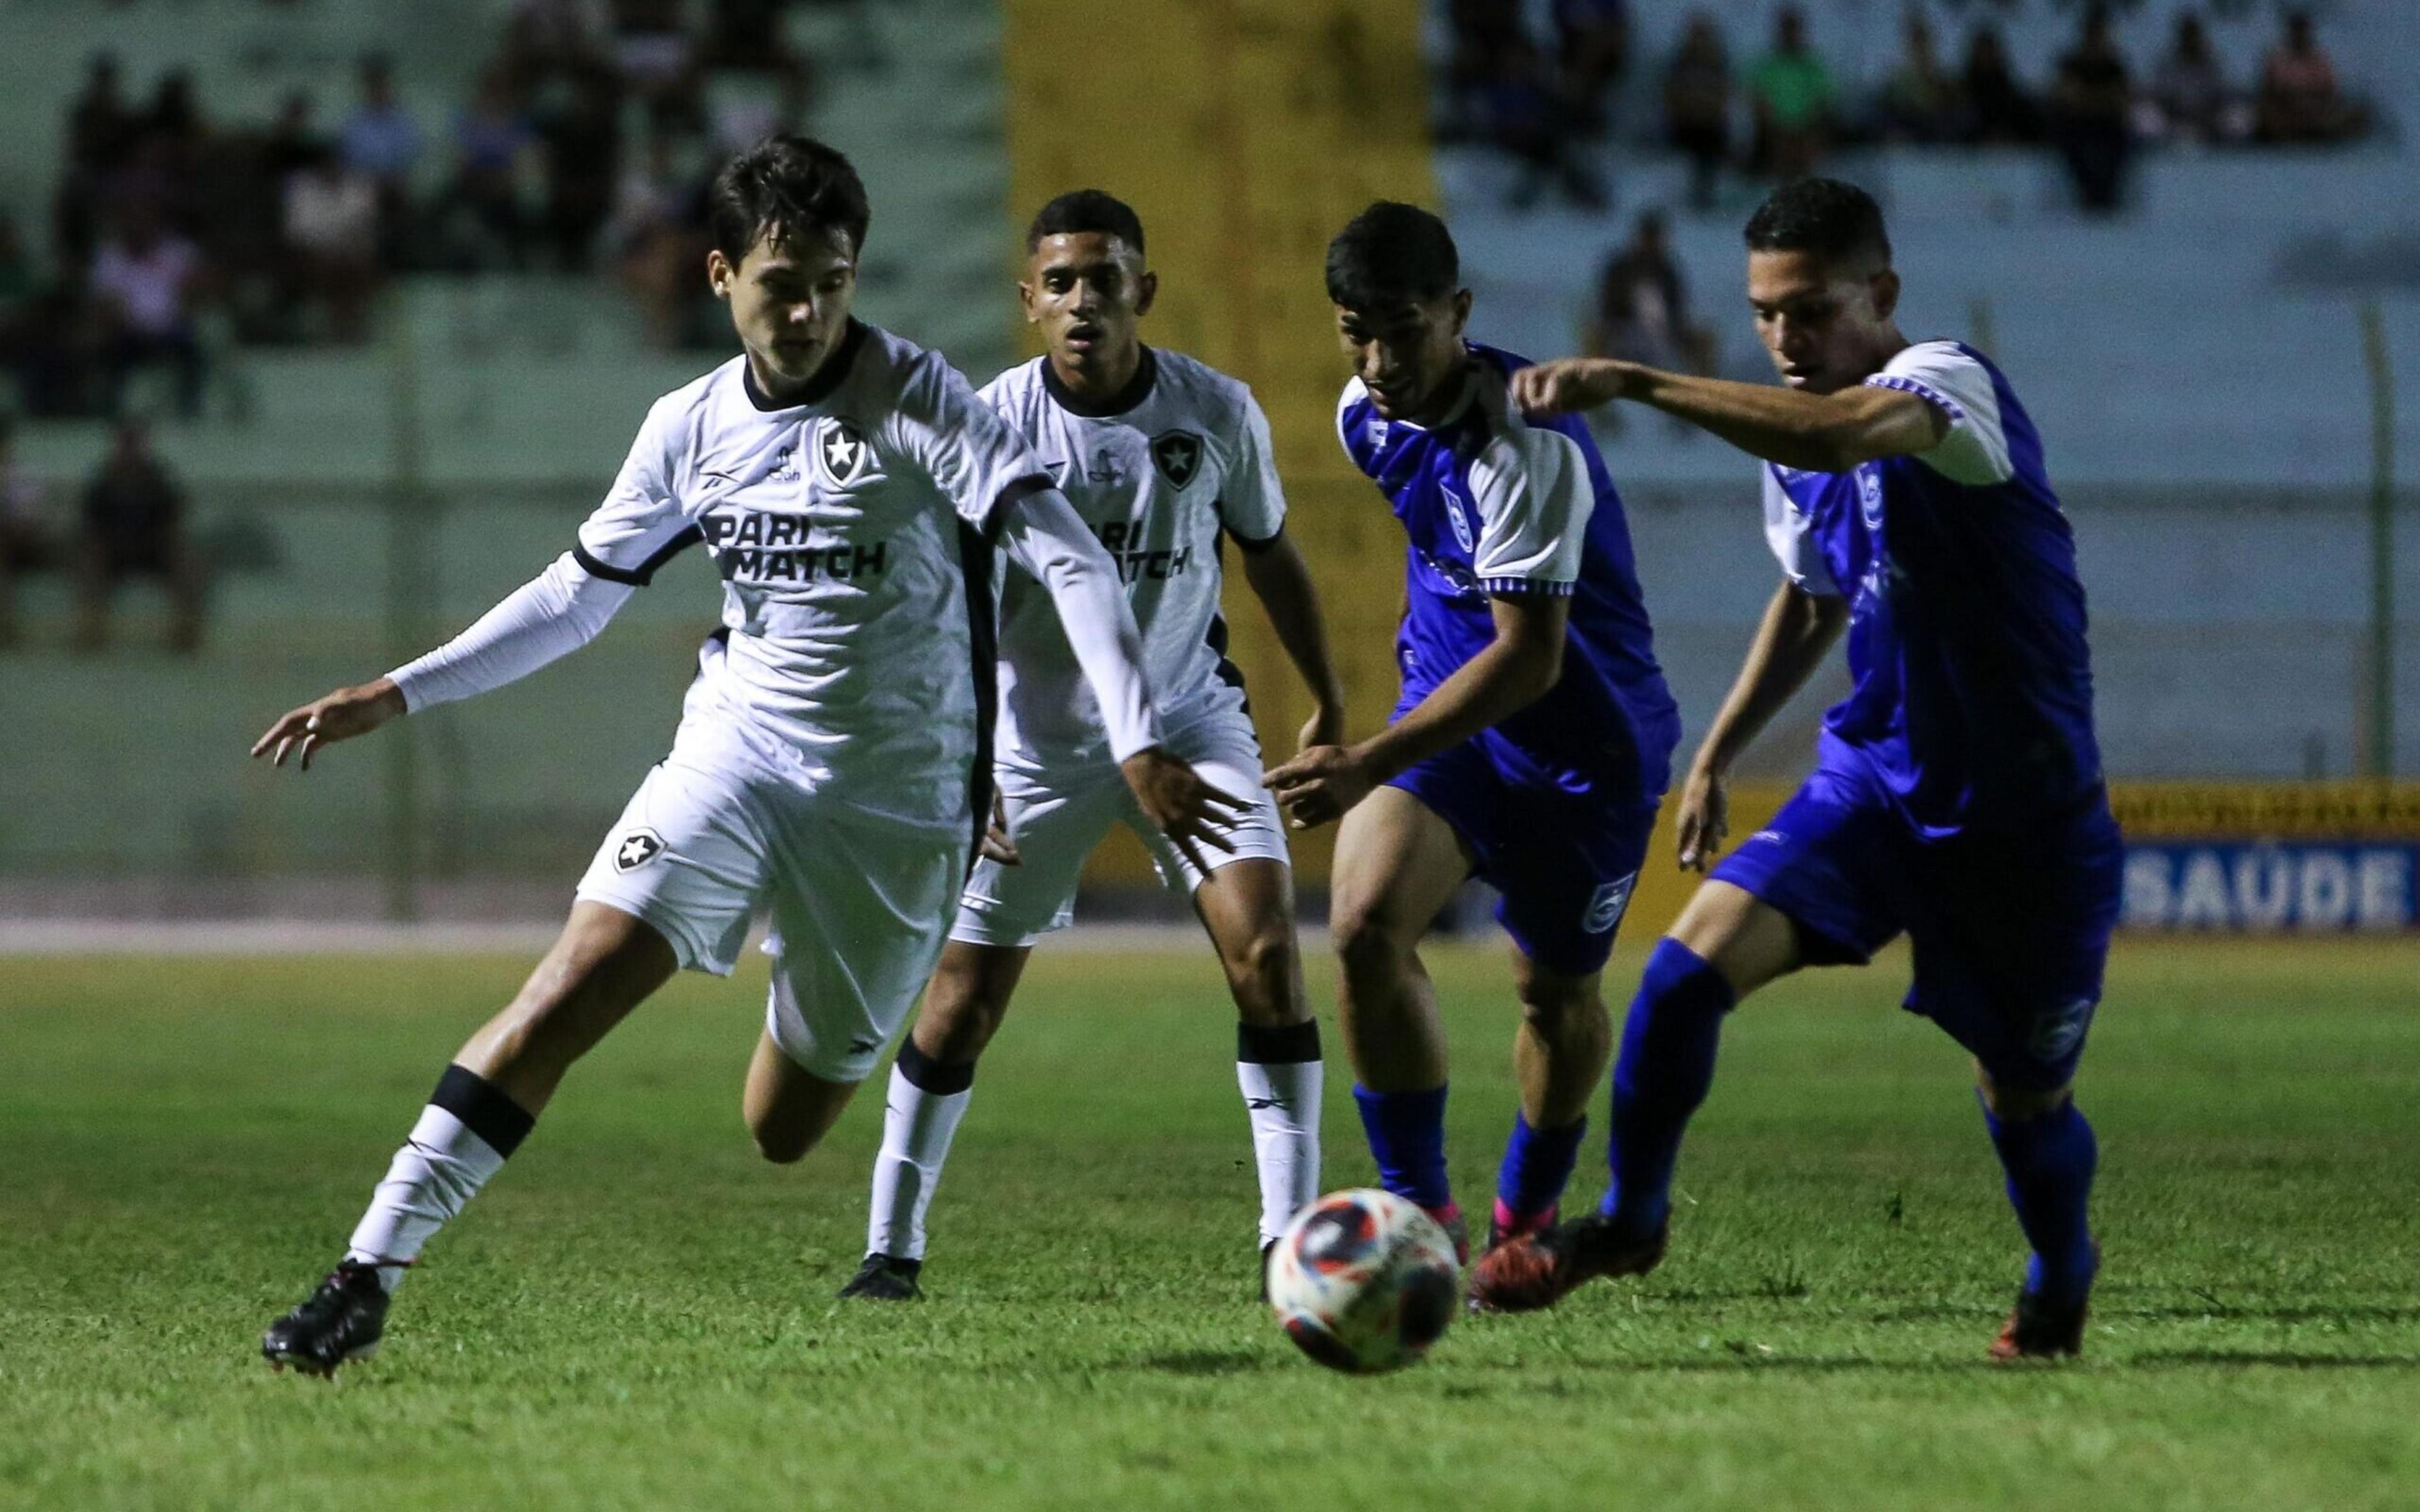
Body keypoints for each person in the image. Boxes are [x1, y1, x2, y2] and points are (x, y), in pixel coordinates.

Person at [251, 136, 1239, 1377]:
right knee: (569, 984)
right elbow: (578, 594)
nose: (813, 307)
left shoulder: (922, 400)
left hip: (899, 806)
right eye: (785, 282)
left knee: (783, 1127)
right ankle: (365, 1274)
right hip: (737, 759)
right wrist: (399, 691)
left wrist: (1138, 731)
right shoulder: (692, 423)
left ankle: (794, 971)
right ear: (722, 276)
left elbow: (1075, 560)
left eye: (835, 279)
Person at [1473, 179, 2121, 1363]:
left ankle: (2061, 1273)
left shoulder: (1946, 383)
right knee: (1679, 976)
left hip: (2025, 818)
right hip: (1874, 786)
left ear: (1881, 293)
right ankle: (1631, 1221)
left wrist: (1638, 381)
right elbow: (1815, 592)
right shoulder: (1796, 439)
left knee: (2021, 1098)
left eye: (1811, 309)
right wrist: (1722, 747)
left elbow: (1848, 430)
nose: (1785, 337)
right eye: (1767, 313)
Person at [840, 191, 1344, 1302]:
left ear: (1143, 292)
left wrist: (1328, 700)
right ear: (1029, 302)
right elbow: (946, 606)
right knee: (964, 999)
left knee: (1267, 955)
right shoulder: (989, 424)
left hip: (1188, 722)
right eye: (1059, 282)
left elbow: (1269, 554)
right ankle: (891, 1248)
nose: (1081, 302)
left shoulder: (1217, 412)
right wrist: (965, 760)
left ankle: (1293, 1242)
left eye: (1103, 279)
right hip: (1031, 742)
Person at [1265, 203, 1679, 1265]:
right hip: (1454, 722)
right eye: (1355, 330)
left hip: (1587, 749)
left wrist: (1366, 763)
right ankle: (1422, 1225)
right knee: (1360, 926)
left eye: (1402, 328)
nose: (1378, 358)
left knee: (1555, 995)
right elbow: (1441, 553)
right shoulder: (1362, 413)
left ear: (1459, 312)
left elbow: (1532, 656)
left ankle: (1525, 1212)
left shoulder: (1523, 445)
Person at [75, 418, 205, 652]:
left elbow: (173, 517)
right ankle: (92, 626)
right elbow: (90, 521)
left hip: (152, 549)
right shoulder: (103, 481)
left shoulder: (158, 479)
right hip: (112, 549)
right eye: (126, 443)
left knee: (187, 557)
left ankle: (186, 628)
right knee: (90, 556)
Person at [2049, 4, 2135, 215]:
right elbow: (2068, 97)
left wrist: (2089, 97)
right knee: (2069, 143)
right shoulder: (2071, 64)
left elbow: (2121, 100)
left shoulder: (2115, 66)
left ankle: (2107, 194)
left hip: (2108, 123)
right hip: (2078, 124)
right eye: (2092, 36)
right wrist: (2100, 98)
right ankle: (2088, 193)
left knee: (2122, 144)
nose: (2096, 41)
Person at [1745, 8, 1835, 181]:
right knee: (1781, 141)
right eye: (1787, 30)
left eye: (1794, 30)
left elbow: (1822, 99)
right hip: (1775, 128)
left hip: (1806, 126)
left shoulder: (1812, 66)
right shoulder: (1766, 65)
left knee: (1806, 138)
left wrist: (1805, 123)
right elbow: (1757, 98)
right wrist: (1776, 124)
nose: (1790, 35)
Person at [2256, 10, 2365, 145]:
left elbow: (2330, 91)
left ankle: (2320, 133)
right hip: (2286, 111)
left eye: (2303, 33)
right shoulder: (2277, 60)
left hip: (2315, 110)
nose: (2300, 37)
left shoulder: (2320, 60)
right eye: (2297, 33)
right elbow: (2269, 91)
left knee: (2352, 114)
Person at [1661, 14, 1732, 214]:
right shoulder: (1677, 66)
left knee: (1711, 139)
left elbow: (1723, 98)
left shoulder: (1719, 67)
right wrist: (1691, 109)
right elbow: (1670, 97)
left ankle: (1706, 193)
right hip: (1683, 123)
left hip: (1710, 124)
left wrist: (1704, 109)